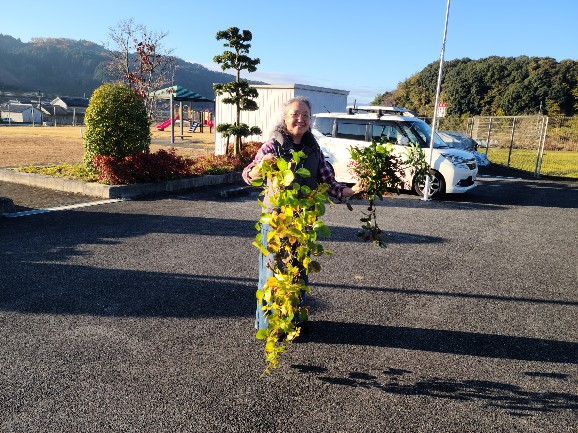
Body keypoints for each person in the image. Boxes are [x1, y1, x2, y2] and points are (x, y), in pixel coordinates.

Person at [242, 96, 361, 330]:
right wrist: (262, 165)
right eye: (295, 114)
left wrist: (353, 190)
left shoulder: (314, 149)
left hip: (303, 222)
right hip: (276, 222)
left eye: (305, 115)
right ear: (285, 118)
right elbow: (248, 175)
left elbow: (329, 184)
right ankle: (269, 327)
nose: (300, 119)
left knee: (298, 272)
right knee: (273, 274)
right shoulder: (273, 146)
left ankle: (293, 325)